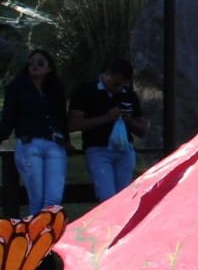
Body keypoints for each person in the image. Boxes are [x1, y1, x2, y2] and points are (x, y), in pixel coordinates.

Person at [0, 49, 69, 214]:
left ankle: (50, 234)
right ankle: (37, 237)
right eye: (31, 62)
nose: (35, 66)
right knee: (36, 199)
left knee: (53, 199)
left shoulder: (55, 88)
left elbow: (61, 117)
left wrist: (66, 140)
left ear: (49, 68)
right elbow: (8, 117)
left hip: (54, 144)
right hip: (29, 145)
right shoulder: (17, 86)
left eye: (40, 63)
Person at [70, 57, 146, 201]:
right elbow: (74, 124)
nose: (118, 88)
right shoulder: (87, 91)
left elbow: (142, 129)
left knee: (124, 198)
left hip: (125, 151)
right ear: (108, 74)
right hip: (98, 150)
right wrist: (106, 117)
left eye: (123, 85)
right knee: (107, 197)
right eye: (116, 83)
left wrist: (126, 118)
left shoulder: (128, 95)